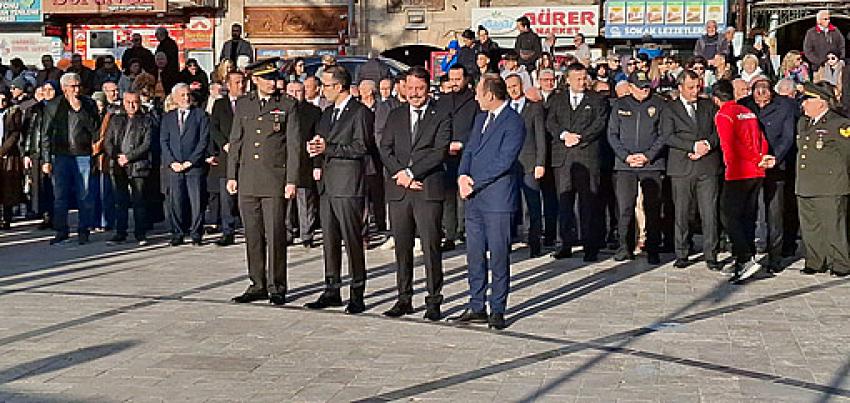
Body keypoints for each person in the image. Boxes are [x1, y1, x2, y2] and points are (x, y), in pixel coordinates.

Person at [453, 74, 525, 330]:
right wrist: (462, 175)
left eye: (479, 93)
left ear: (491, 95)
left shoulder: (513, 121)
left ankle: (497, 308)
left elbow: (504, 161)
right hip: (473, 199)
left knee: (498, 255)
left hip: (497, 199)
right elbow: (470, 149)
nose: (475, 97)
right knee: (474, 254)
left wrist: (475, 181)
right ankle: (476, 304)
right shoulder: (481, 117)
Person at [379, 66, 451, 320]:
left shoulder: (440, 113)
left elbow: (439, 151)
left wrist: (412, 173)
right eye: (410, 88)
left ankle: (433, 299)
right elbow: (384, 148)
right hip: (400, 191)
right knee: (402, 246)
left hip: (427, 190)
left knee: (431, 246)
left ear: (428, 88)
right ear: (403, 88)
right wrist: (401, 174)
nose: (414, 93)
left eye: (419, 88)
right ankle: (404, 298)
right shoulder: (395, 115)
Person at [227, 59, 301, 305]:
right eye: (267, 78)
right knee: (253, 235)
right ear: (255, 79)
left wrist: (291, 180)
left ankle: (277, 285)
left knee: (276, 234)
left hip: (274, 179)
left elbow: (293, 146)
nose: (272, 83)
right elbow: (236, 140)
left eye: (274, 78)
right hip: (248, 178)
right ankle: (257, 283)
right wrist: (231, 175)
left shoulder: (287, 105)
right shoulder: (244, 104)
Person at [304, 65, 372, 314]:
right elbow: (322, 140)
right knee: (329, 239)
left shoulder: (360, 112)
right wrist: (315, 149)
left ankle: (357, 290)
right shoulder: (327, 112)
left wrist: (328, 149)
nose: (323, 90)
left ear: (340, 86)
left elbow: (361, 147)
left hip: (348, 184)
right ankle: (331, 287)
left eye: (327, 85)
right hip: (328, 184)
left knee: (351, 240)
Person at [712, 79, 774, 283]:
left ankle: (745, 258)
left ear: (715, 98)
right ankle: (744, 259)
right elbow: (761, 137)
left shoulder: (724, 114)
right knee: (747, 215)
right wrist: (762, 157)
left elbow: (731, 145)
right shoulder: (747, 111)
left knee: (728, 216)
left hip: (739, 171)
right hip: (757, 171)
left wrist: (751, 159)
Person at [546, 63, 609, 261]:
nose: (582, 82)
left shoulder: (597, 99)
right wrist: (564, 135)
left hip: (586, 155)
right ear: (568, 80)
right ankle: (564, 243)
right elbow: (551, 122)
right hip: (563, 157)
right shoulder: (557, 99)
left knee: (588, 203)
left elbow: (599, 123)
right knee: (564, 202)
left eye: (584, 78)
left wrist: (581, 137)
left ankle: (590, 246)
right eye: (578, 79)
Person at [661, 70, 723, 270]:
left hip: (707, 166)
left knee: (709, 212)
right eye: (690, 88)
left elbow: (718, 131)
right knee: (682, 212)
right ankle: (682, 253)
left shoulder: (708, 106)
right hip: (682, 166)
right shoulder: (670, 109)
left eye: (698, 87)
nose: (695, 91)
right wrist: (692, 147)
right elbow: (667, 136)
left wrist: (707, 144)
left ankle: (711, 254)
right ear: (680, 87)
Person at [738, 76, 799, 271]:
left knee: (775, 214)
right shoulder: (744, 105)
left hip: (775, 166)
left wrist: (774, 158)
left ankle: (775, 257)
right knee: (748, 212)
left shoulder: (785, 107)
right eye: (758, 99)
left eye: (765, 98)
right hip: (751, 166)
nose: (761, 101)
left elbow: (788, 136)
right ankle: (747, 255)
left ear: (771, 93)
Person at [607, 71, 667, 264]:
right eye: (640, 87)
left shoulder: (659, 104)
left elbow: (663, 134)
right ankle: (625, 246)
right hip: (625, 165)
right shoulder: (619, 105)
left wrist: (648, 156)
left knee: (652, 207)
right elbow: (612, 135)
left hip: (651, 164)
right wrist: (626, 157)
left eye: (647, 86)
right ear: (630, 87)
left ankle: (652, 248)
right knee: (625, 207)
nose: (644, 90)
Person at [795, 82, 850, 276]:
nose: (804, 104)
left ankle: (841, 263)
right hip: (806, 183)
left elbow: (846, 154)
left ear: (821, 102)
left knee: (833, 226)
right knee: (810, 226)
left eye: (808, 100)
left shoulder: (839, 124)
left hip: (829, 184)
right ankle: (815, 260)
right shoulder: (804, 123)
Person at [42, 73, 101, 244]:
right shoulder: (54, 105)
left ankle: (84, 230)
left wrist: (80, 110)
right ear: (64, 88)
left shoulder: (88, 104)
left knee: (85, 194)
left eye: (78, 85)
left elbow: (95, 130)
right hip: (61, 155)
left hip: (82, 154)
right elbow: (45, 134)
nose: (76, 89)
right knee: (60, 195)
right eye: (73, 86)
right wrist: (46, 159)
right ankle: (61, 230)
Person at [160, 83, 209, 246]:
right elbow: (164, 141)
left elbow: (203, 141)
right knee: (176, 201)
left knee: (196, 201)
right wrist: (172, 162)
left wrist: (190, 161)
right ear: (174, 98)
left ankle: (196, 234)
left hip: (194, 166)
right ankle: (177, 233)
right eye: (182, 95)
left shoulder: (200, 115)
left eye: (188, 94)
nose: (186, 98)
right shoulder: (168, 117)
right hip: (174, 166)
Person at [102, 91, 153, 245]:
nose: (132, 105)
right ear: (123, 103)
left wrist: (129, 157)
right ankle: (120, 232)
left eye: (135, 102)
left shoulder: (146, 120)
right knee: (120, 201)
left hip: (138, 165)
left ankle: (140, 234)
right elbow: (108, 141)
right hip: (118, 165)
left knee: (139, 201)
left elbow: (147, 144)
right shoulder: (116, 120)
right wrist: (116, 156)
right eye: (128, 102)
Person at [504, 73, 546, 257]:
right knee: (509, 204)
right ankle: (508, 240)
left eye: (515, 85)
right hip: (509, 165)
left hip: (529, 163)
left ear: (522, 86)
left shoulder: (534, 108)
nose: (513, 89)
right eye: (509, 86)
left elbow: (540, 137)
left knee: (532, 205)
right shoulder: (504, 109)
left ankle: (535, 242)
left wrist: (540, 162)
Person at [439, 64, 479, 251]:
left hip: (466, 152)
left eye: (458, 79)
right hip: (446, 153)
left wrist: (463, 143)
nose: (454, 83)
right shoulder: (443, 100)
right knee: (447, 195)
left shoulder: (474, 101)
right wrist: (445, 144)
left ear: (466, 79)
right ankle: (450, 233)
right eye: (451, 79)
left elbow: (478, 128)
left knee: (465, 193)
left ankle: (465, 230)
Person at [208, 71, 245, 246]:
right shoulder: (220, 104)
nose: (241, 86)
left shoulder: (249, 103)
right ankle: (227, 231)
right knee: (226, 197)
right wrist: (224, 144)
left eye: (243, 82)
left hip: (247, 156)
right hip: (226, 157)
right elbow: (214, 128)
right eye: (237, 82)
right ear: (228, 85)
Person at [286, 80, 322, 248]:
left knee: (305, 201)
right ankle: (286, 232)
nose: (294, 94)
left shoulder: (313, 112)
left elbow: (317, 139)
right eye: (291, 91)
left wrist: (317, 164)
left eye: (298, 91)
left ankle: (307, 234)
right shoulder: (280, 109)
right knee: (285, 201)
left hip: (305, 162)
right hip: (283, 163)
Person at [24, 82, 57, 229]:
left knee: (54, 186)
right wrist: (27, 152)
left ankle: (56, 216)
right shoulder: (38, 107)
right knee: (40, 186)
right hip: (37, 150)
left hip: (54, 150)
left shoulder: (59, 106)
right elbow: (29, 127)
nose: (47, 92)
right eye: (45, 89)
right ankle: (45, 216)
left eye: (51, 89)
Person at [0, 90, 24, 229]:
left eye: (3, 99)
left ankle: (6, 218)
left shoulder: (13, 112)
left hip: (8, 154)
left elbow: (15, 133)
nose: (1, 102)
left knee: (7, 187)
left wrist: (3, 150)